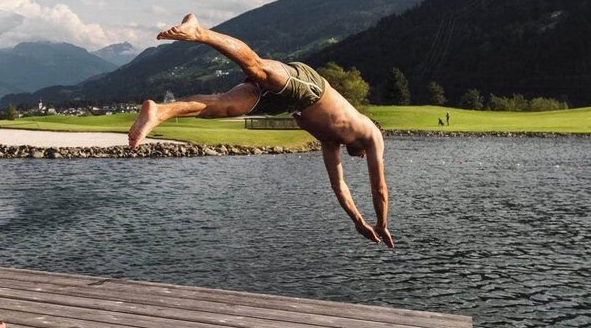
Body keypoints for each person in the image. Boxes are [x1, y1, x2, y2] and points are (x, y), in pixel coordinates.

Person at [128, 14, 393, 248]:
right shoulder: (372, 134)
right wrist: (382, 223)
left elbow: (339, 186)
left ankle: (160, 111)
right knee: (255, 67)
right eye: (361, 157)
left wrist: (358, 221)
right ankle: (199, 31)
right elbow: (379, 188)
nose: (359, 158)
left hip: (287, 103)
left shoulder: (330, 141)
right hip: (309, 87)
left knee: (224, 106)